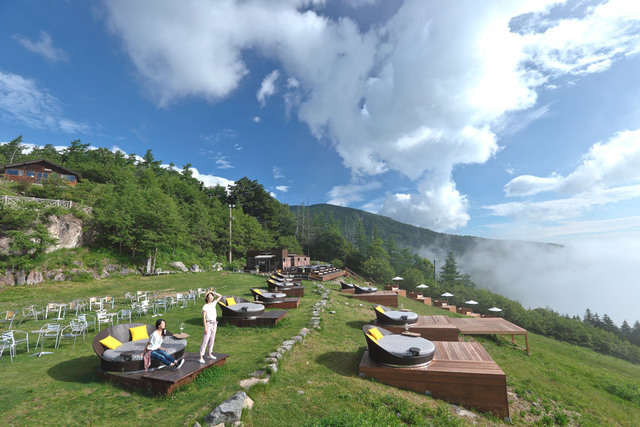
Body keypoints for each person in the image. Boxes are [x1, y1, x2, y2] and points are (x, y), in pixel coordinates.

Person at [198, 290, 222, 364]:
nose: (211, 298)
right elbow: (204, 317)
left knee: (212, 340)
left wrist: (213, 292)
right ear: (207, 298)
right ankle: (201, 357)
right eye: (210, 296)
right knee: (205, 341)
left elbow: (220, 296)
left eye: (212, 296)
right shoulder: (205, 306)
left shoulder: (214, 303)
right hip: (208, 324)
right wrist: (205, 327)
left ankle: (209, 354)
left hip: (214, 324)